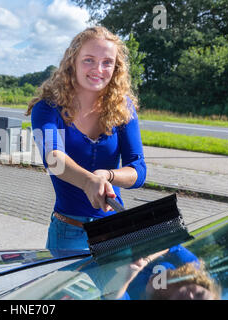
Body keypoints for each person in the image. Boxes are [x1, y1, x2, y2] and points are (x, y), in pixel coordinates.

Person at [26, 26, 146, 250]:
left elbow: (138, 170)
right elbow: (53, 159)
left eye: (107, 62)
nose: (98, 69)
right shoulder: (47, 109)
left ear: (116, 68)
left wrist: (108, 175)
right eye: (89, 60)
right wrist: (88, 181)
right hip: (69, 233)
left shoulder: (123, 108)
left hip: (116, 230)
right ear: (72, 62)